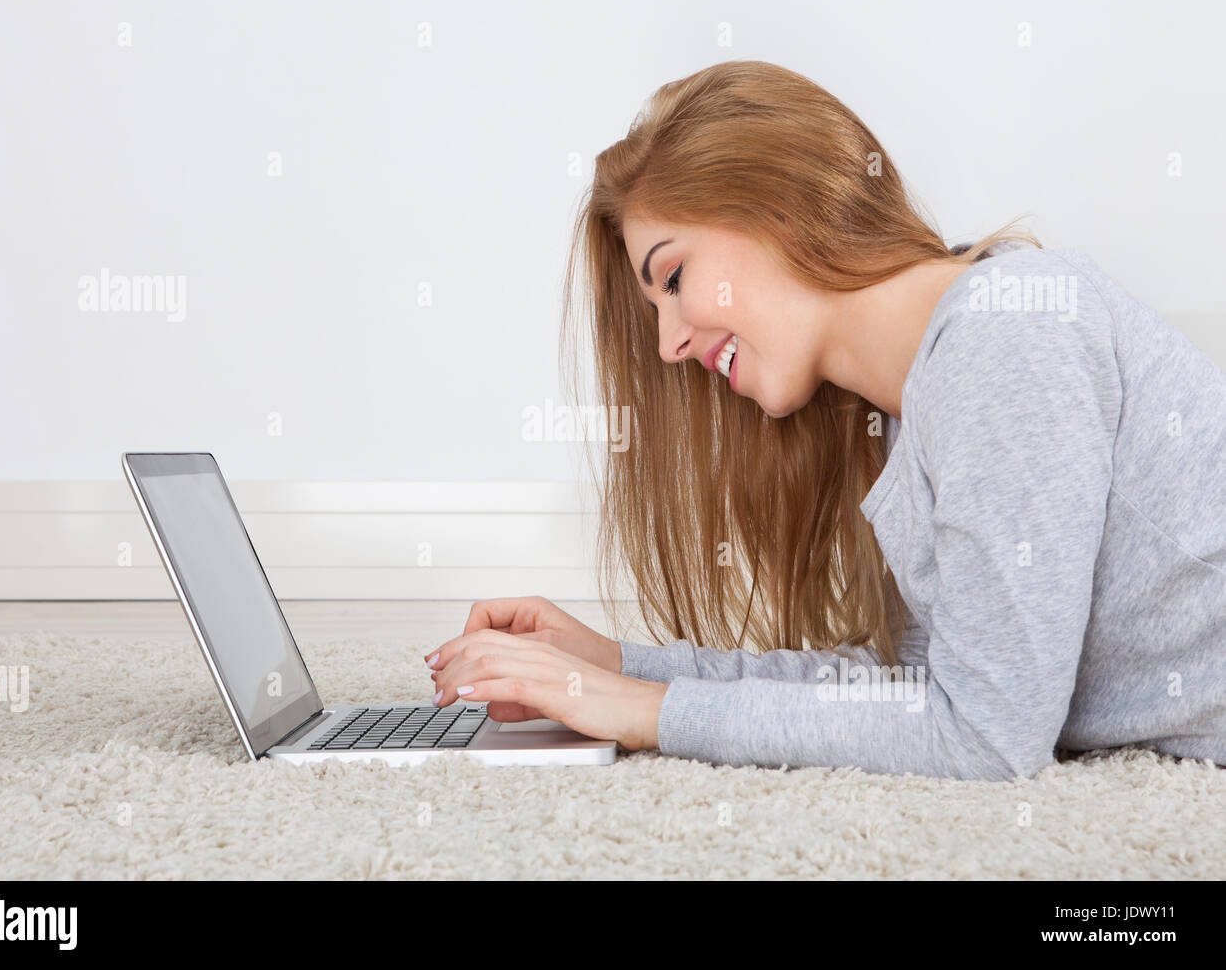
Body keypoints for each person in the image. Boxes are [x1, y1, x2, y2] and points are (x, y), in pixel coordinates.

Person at [423, 60, 1226, 780]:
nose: (668, 343)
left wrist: (643, 714)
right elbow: (912, 696)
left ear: (777, 201)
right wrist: (619, 667)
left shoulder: (1006, 337)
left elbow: (985, 733)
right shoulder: (927, 398)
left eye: (671, 275)